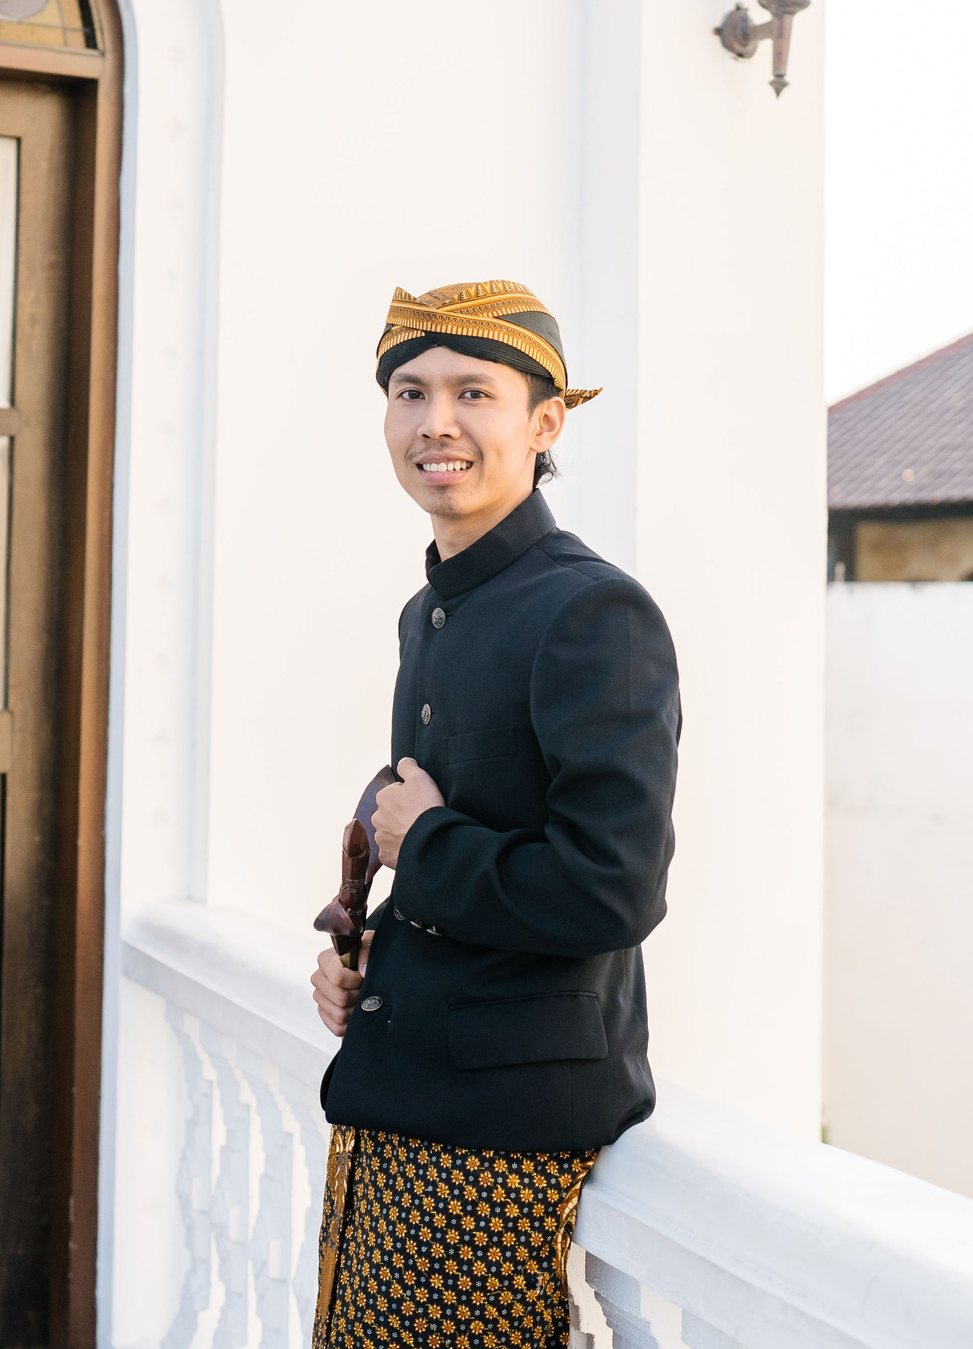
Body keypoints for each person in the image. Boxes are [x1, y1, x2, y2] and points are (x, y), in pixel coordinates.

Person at [310, 279, 681, 1347]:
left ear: (545, 422)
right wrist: (369, 955)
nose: (436, 421)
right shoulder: (429, 610)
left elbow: (611, 889)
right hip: (394, 1106)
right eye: (410, 393)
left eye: (474, 392)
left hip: (497, 1145)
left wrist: (423, 845)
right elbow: (455, 830)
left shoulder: (593, 610)